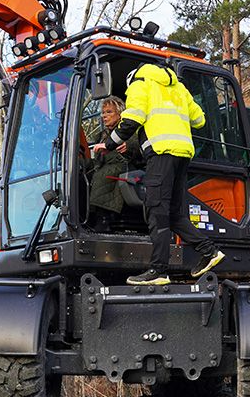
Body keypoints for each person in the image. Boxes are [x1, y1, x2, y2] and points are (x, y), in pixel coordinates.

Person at [92, 63, 224, 285]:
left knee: (155, 211)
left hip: (161, 153)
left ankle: (159, 271)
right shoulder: (179, 89)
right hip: (183, 155)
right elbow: (199, 120)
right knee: (173, 214)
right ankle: (209, 251)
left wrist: (108, 144)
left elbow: (131, 120)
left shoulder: (139, 85)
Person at [85, 96, 142, 232]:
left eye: (109, 112)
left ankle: (104, 220)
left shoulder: (128, 131)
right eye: (103, 113)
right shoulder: (101, 135)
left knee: (103, 176)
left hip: (125, 169)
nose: (104, 116)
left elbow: (137, 146)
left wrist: (129, 146)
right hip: (106, 167)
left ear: (120, 113)